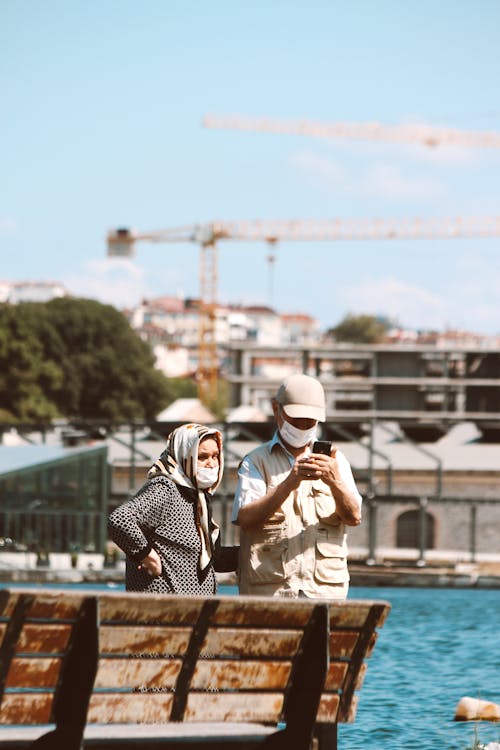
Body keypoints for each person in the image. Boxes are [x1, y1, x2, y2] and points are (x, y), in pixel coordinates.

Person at [232, 373, 362, 599]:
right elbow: (246, 519)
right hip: (271, 593)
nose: (302, 426)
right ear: (276, 409)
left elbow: (354, 517)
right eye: (295, 420)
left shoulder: (336, 461)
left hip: (324, 592)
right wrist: (290, 482)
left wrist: (334, 481)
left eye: (309, 421)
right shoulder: (255, 461)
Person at [108, 422, 235, 594]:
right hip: (163, 613)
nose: (212, 464)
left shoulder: (198, 500)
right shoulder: (166, 488)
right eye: (202, 457)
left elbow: (211, 560)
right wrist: (147, 556)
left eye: (215, 456)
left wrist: (259, 552)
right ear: (184, 455)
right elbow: (120, 520)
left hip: (192, 614)